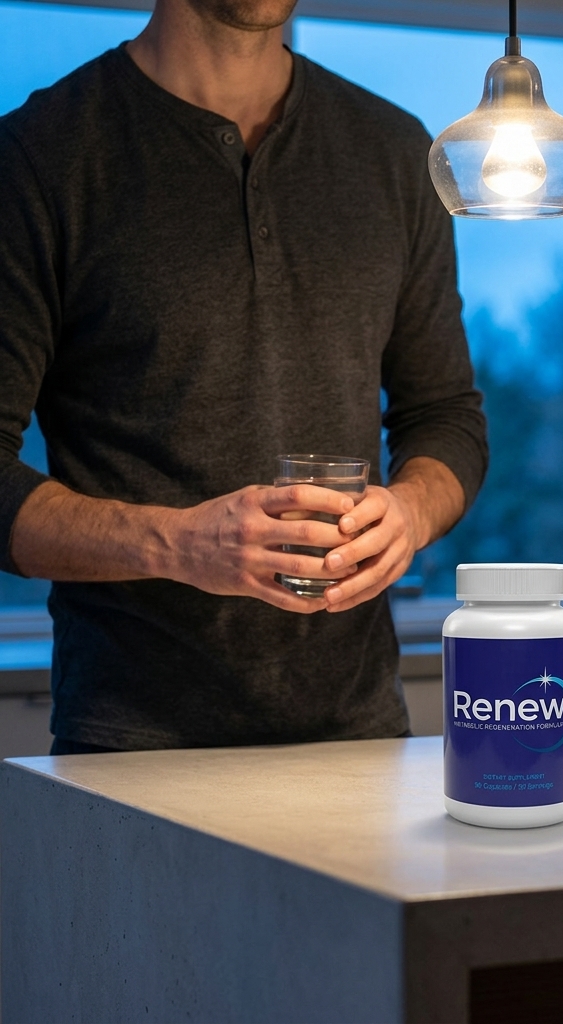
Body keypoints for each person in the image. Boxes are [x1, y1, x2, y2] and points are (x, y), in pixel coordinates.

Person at [0, 0, 488, 752]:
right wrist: (177, 544)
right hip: (132, 746)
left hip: (358, 737)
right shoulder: (43, 155)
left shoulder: (391, 152)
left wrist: (411, 512)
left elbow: (447, 416)